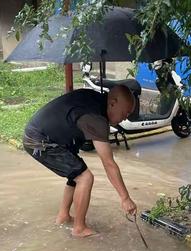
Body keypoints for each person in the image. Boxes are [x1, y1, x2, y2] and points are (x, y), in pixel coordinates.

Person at [23, 85, 137, 238]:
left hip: (44, 135)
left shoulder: (94, 100)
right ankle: (79, 228)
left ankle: (63, 216)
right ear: (112, 103)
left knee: (77, 172)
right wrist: (125, 198)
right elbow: (108, 163)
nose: (125, 118)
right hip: (39, 140)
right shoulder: (96, 118)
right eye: (125, 112)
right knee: (85, 177)